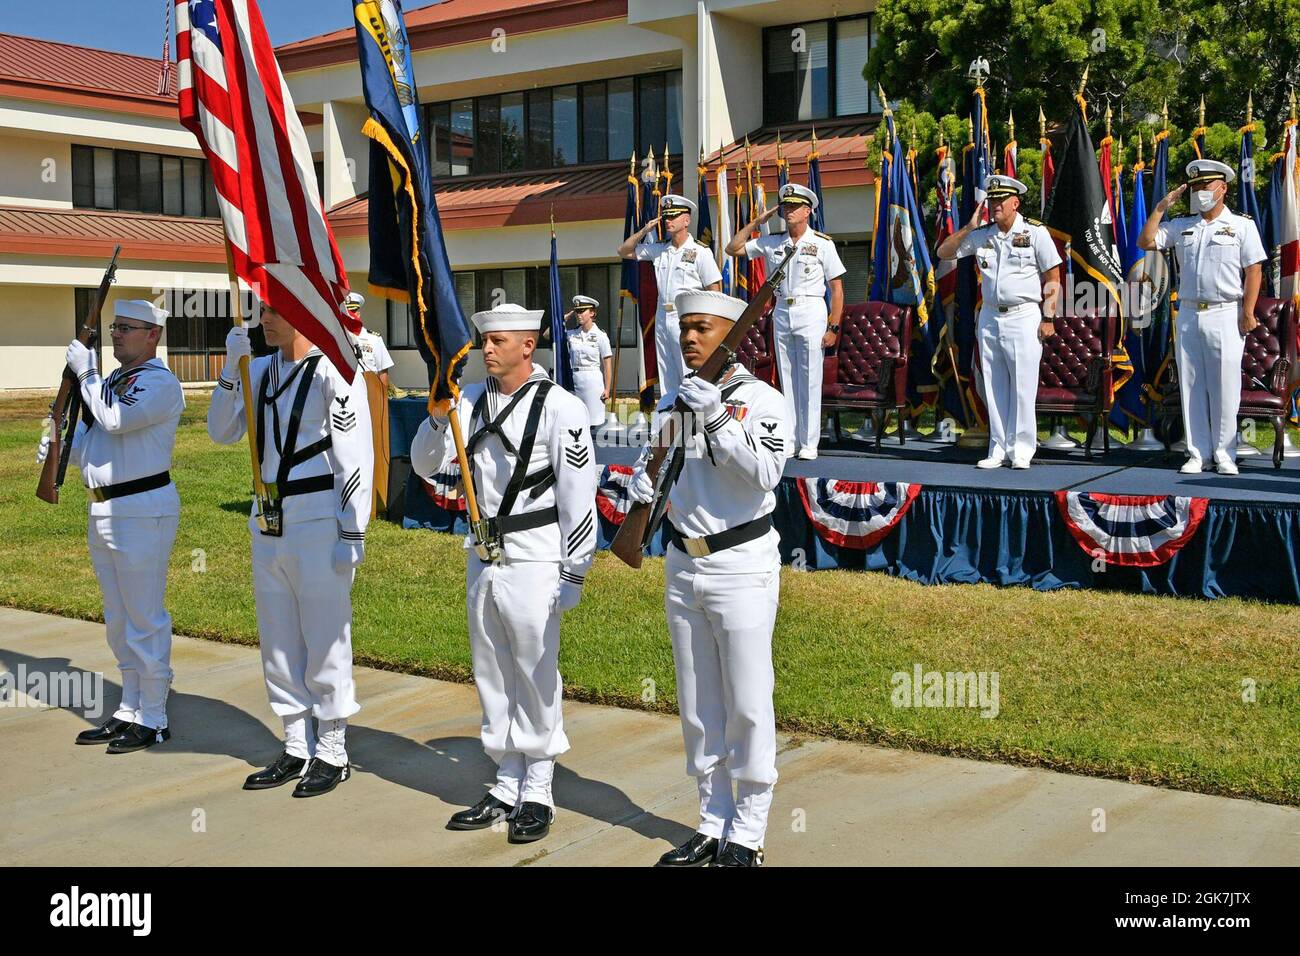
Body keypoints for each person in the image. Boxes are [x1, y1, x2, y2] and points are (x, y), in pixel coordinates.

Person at [409, 303, 598, 844]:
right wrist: (434, 413)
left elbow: (577, 496)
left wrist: (575, 570)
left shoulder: (561, 407)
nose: (487, 349)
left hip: (536, 549)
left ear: (527, 346)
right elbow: (425, 464)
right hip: (483, 547)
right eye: (484, 340)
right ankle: (506, 777)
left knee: (534, 666)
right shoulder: (465, 403)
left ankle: (539, 784)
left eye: (499, 340)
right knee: (490, 666)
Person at [628, 290, 793, 867]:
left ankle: (747, 829)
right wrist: (647, 487)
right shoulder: (679, 400)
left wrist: (719, 417)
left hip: (741, 565)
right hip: (682, 564)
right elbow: (672, 473)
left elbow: (765, 473)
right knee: (699, 707)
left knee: (747, 702)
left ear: (732, 332)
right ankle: (710, 817)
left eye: (701, 328)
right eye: (683, 331)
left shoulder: (761, 400)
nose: (690, 339)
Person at [207, 307, 373, 797]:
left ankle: (333, 748)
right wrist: (228, 372)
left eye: (275, 312)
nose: (264, 322)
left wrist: (352, 531)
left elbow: (353, 454)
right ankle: (296, 742)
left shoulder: (334, 369)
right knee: (278, 636)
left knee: (324, 634)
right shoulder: (256, 370)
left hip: (319, 514)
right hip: (268, 516)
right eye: (261, 313)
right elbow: (221, 431)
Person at [40, 299, 184, 753]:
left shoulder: (160, 383)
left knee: (145, 617)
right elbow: (95, 440)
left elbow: (116, 420)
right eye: (115, 327)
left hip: (142, 509)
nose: (116, 334)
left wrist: (85, 375)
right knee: (118, 619)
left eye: (127, 328)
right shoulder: (116, 381)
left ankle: (155, 716)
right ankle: (129, 708)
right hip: (104, 509)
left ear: (152, 336)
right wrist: (61, 445)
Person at [1138, 158, 1266, 475]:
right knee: (1192, 385)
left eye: (1205, 186)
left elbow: (1254, 270)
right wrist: (1161, 207)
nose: (1199, 192)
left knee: (1224, 387)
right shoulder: (1182, 226)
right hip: (1190, 313)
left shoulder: (1242, 226)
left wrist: (1248, 312)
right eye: (1195, 187)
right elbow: (1146, 241)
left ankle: (1224, 453)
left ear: (1222, 188)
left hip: (1226, 311)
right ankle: (1197, 452)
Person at [937, 174, 1062, 469]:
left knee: (1022, 386)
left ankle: (1022, 449)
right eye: (991, 200)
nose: (994, 205)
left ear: (1015, 203)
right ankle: (998, 448)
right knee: (993, 386)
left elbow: (1053, 277)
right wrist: (968, 227)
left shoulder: (1035, 233)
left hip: (1025, 315)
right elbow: (943, 252)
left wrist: (1049, 316)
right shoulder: (982, 235)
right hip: (991, 316)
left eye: (1000, 200)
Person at [726, 182, 844, 461]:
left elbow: (837, 288)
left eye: (794, 207)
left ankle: (809, 442)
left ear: (808, 211)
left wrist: (833, 326)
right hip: (782, 311)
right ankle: (790, 439)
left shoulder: (822, 244)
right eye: (785, 207)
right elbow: (733, 248)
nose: (788, 211)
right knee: (788, 379)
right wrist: (757, 222)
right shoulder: (772, 242)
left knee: (810, 379)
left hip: (811, 309)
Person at [618, 194, 722, 399]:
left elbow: (715, 290)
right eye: (666, 216)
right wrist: (645, 230)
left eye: (673, 216)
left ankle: (695, 423)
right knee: (667, 374)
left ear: (686, 220)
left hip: (686, 319)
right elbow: (624, 251)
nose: (668, 221)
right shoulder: (660, 250)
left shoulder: (700, 252)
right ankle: (672, 421)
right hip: (663, 317)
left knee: (689, 372)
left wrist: (706, 325)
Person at [344, 292, 394, 514]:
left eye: (354, 310)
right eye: (347, 310)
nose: (351, 314)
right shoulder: (339, 338)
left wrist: (382, 398)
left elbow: (383, 373)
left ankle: (375, 498)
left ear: (360, 311)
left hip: (372, 401)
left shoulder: (373, 339)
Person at [564, 294, 613, 427]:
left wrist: (607, 388)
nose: (578, 315)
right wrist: (562, 320)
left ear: (592, 313)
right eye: (577, 312)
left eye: (582, 311)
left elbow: (607, 363)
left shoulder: (600, 336)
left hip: (592, 381)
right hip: (574, 379)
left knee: (592, 423)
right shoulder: (572, 334)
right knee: (573, 422)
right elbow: (548, 335)